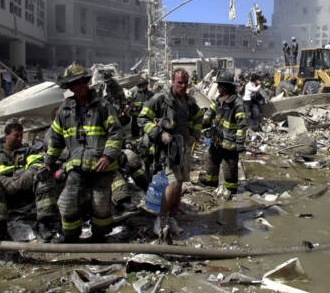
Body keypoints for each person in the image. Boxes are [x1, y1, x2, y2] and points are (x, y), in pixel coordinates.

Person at [44, 62, 124, 243]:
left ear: (87, 83)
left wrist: (107, 156)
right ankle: (71, 236)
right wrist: (48, 162)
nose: (80, 86)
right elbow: (56, 139)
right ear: (70, 87)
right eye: (75, 84)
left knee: (101, 204)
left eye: (82, 82)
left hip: (101, 166)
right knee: (67, 202)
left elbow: (116, 133)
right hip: (76, 166)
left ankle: (99, 235)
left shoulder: (103, 106)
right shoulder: (64, 110)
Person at [138, 68, 203, 243]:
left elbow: (199, 117)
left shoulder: (189, 102)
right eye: (179, 82)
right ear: (172, 81)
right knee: (173, 182)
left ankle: (172, 215)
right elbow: (142, 119)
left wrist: (194, 135)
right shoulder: (161, 99)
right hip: (166, 151)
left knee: (180, 182)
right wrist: (159, 134)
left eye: (185, 83)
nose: (183, 86)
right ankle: (162, 219)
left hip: (183, 149)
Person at [0, 122, 58, 241]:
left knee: (44, 177)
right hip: (3, 192)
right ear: (6, 135)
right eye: (16, 135)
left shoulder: (27, 151)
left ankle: (46, 223)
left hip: (26, 189)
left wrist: (21, 181)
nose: (20, 138)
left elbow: (37, 165)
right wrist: (5, 182)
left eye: (21, 135)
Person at [199, 72, 247, 194]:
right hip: (217, 140)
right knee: (211, 161)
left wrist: (240, 143)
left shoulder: (237, 103)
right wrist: (202, 122)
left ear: (227, 86)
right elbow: (210, 113)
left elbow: (242, 125)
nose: (218, 88)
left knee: (229, 168)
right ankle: (211, 183)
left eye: (220, 85)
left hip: (230, 142)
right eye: (218, 85)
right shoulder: (219, 99)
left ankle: (231, 190)